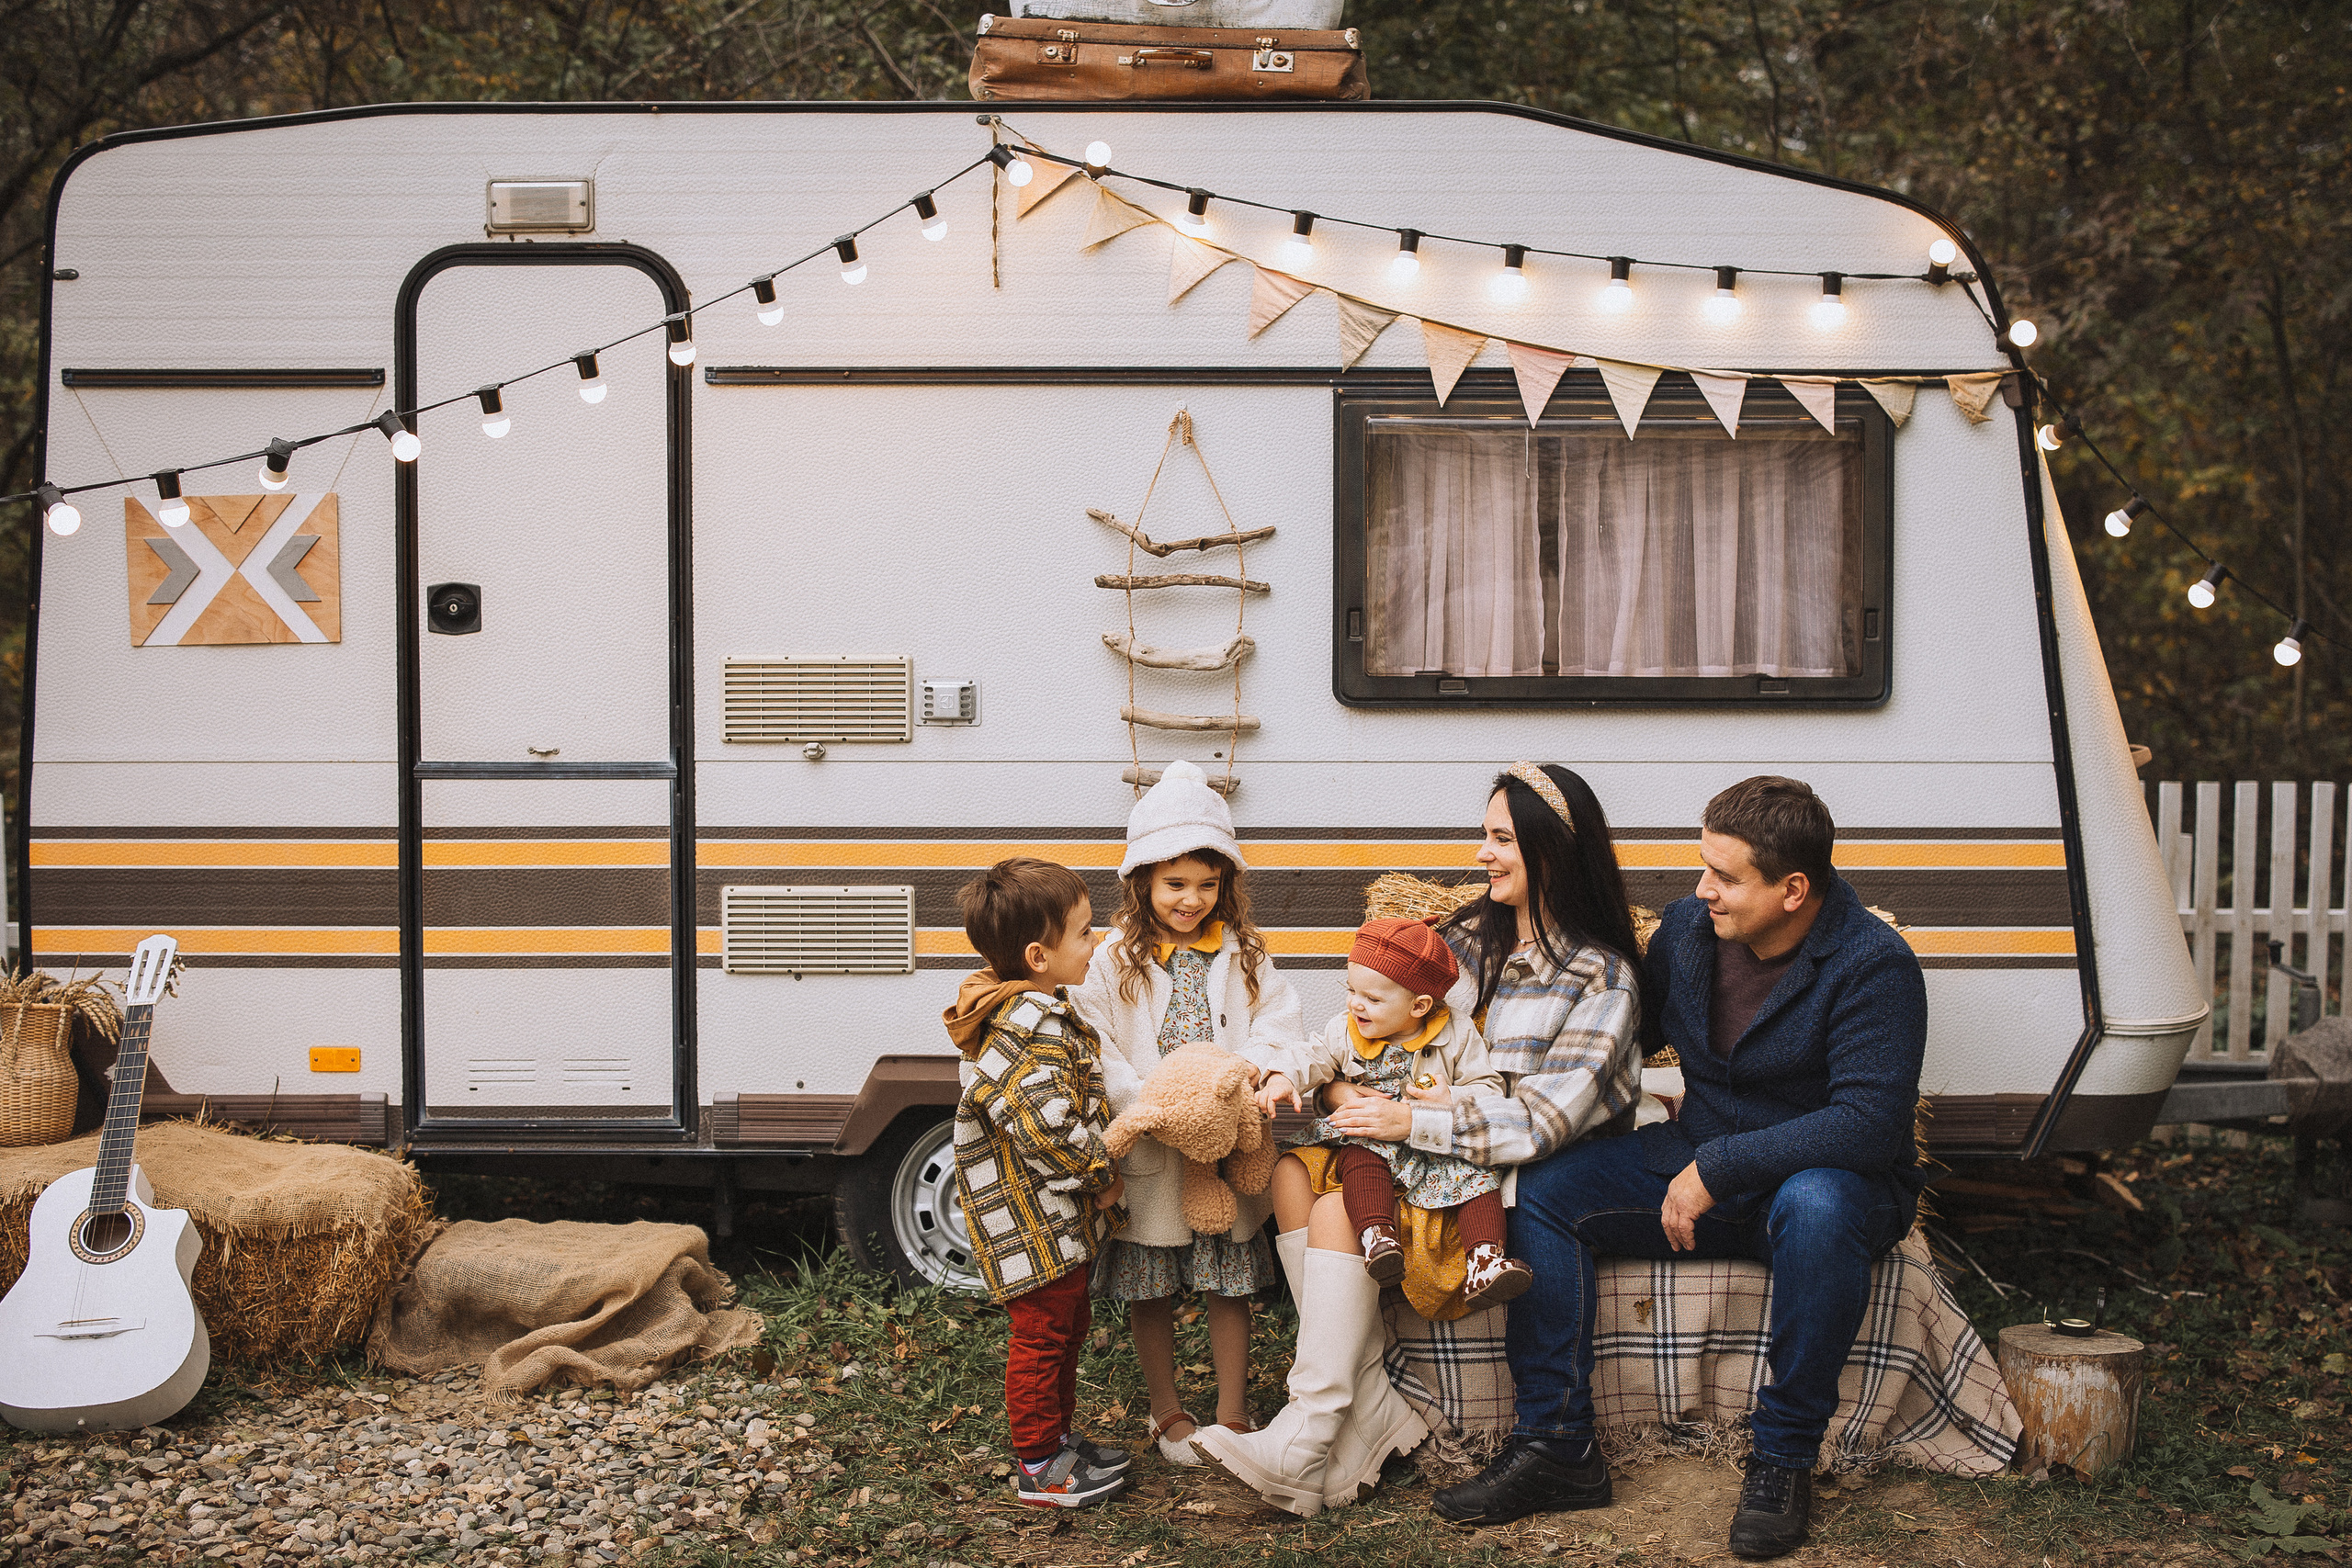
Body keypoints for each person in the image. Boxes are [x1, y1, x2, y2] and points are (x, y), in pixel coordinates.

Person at [1432, 775, 1927, 1563]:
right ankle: (1557, 1444)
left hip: (1822, 1181)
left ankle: (1783, 1456)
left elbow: (1866, 1124)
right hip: (1694, 1148)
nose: (1701, 891)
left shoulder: (1875, 963)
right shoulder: (1690, 934)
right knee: (1547, 1189)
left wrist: (1717, 1169)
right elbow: (1629, 1028)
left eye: (1725, 877)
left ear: (1794, 889)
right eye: (1704, 867)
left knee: (1821, 1204)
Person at [1199, 762, 1642, 1517]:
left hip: (1493, 1170)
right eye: (1486, 835)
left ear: (1550, 851)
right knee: (1289, 1176)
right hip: (1415, 1146)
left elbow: (1538, 1122)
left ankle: (1311, 1430)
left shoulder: (1601, 981)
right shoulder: (1465, 941)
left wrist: (1407, 1120)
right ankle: (1365, 1401)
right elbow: (1366, 1032)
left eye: (1501, 838)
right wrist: (1338, 1090)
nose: (1482, 854)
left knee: (1339, 1204)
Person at [1069, 760, 1304, 1465]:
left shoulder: (1247, 953)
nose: (1192, 900)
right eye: (1175, 885)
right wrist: (1149, 1100)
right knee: (1153, 1278)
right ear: (1141, 880)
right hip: (1152, 1141)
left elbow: (1277, 1023)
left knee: (1228, 1273)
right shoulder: (1112, 958)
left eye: (1207, 885)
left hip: (1223, 1143)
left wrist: (1254, 1070)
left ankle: (1232, 1411)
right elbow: (1096, 1039)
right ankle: (1167, 1411)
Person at [943, 857, 1133, 1509]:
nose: (1097, 940)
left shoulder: (1036, 1008)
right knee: (1043, 1337)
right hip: (1030, 1224)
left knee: (1067, 1327)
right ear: (1039, 954)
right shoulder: (1029, 1029)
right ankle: (1039, 1466)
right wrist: (1102, 1177)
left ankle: (1059, 1440)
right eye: (1084, 932)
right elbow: (1047, 1130)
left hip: (1050, 1223)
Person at [1252, 916, 1532, 1308]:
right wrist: (1283, 1076)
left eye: (1373, 999)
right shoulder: (1345, 1028)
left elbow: (1488, 1087)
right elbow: (1310, 1055)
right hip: (1369, 1132)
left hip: (1432, 1141)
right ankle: (1377, 1236)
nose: (1355, 1004)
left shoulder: (1457, 1032)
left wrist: (1450, 1097)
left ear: (1419, 1006)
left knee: (1479, 1178)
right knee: (1360, 1156)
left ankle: (1485, 1261)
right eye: (1351, 990)